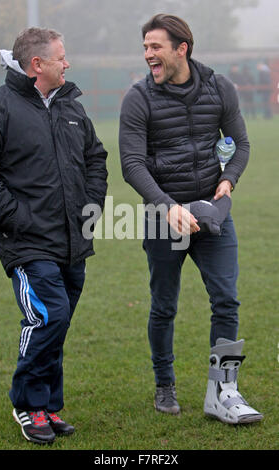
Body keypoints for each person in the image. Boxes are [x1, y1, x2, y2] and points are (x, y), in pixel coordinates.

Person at [119, 14, 263, 424]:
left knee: (227, 299)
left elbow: (241, 145)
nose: (148, 55)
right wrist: (167, 206)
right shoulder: (137, 98)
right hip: (163, 217)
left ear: (182, 48)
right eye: (145, 47)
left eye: (155, 47)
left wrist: (228, 182)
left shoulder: (220, 87)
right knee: (164, 306)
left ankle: (223, 391)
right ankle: (164, 384)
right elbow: (131, 164)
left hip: (212, 215)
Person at [0, 28, 108, 444]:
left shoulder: (71, 107)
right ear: (37, 64)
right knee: (48, 316)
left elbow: (96, 158)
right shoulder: (0, 105)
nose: (68, 63)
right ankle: (26, 405)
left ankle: (47, 407)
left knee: (57, 324)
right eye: (62, 56)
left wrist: (90, 205)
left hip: (72, 239)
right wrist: (15, 217)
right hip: (26, 241)